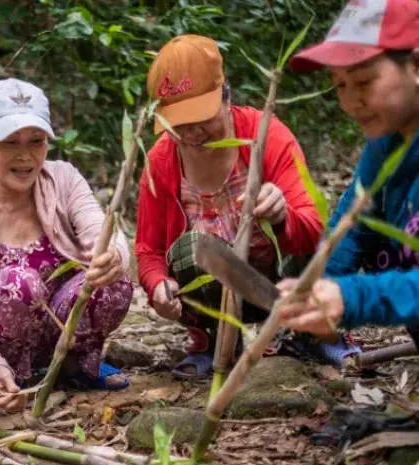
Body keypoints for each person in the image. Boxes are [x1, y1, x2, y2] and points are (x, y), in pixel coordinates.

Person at [134, 34, 358, 379]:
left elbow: (314, 228)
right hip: (219, 295)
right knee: (190, 249)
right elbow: (149, 250)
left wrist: (281, 217)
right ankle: (213, 339)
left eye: (201, 118)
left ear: (226, 97)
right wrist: (157, 285)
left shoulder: (265, 136)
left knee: (318, 232)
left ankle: (315, 332)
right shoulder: (161, 161)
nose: (192, 133)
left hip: (280, 282)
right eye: (179, 124)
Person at [0, 78, 134, 413]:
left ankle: (76, 365)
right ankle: (8, 382)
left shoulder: (64, 179)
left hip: (61, 336)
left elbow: (100, 230)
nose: (25, 155)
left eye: (36, 141)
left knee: (113, 281)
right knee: (18, 283)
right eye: (10, 142)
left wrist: (113, 254)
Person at [277, 0, 419, 341]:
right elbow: (351, 226)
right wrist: (317, 288)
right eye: (340, 84)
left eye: (363, 82)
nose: (350, 102)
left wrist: (351, 298)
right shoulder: (386, 145)